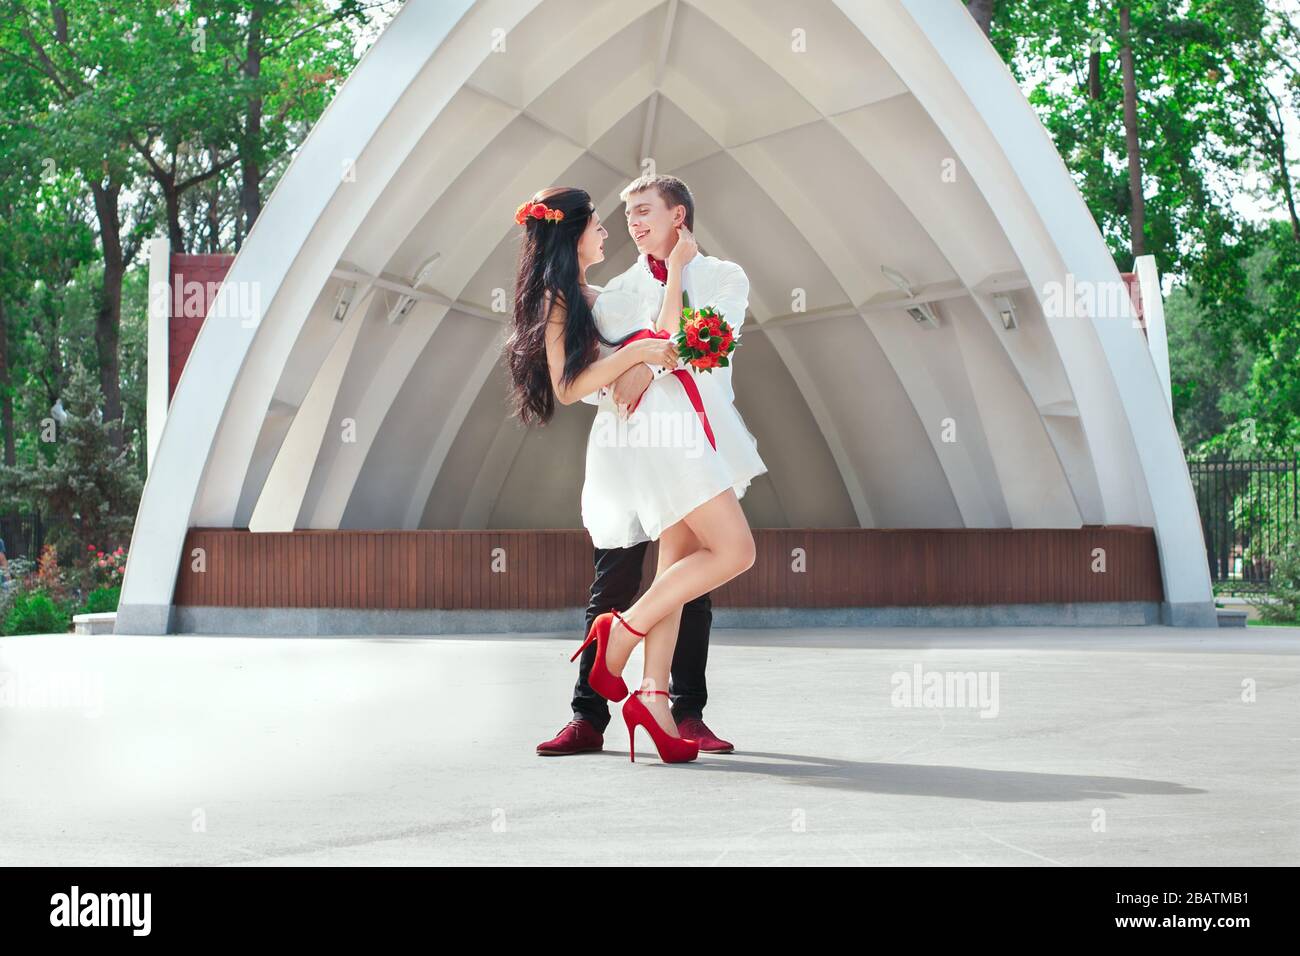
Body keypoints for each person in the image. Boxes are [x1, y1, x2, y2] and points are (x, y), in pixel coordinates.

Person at [504, 182, 766, 764]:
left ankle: (661, 701)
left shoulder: (725, 276)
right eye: (618, 217)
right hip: (647, 440)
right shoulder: (610, 289)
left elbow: (694, 346)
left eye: (641, 211)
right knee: (636, 570)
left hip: (701, 431)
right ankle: (595, 694)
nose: (627, 225)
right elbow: (602, 374)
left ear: (680, 215)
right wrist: (639, 359)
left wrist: (649, 349)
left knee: (682, 573)